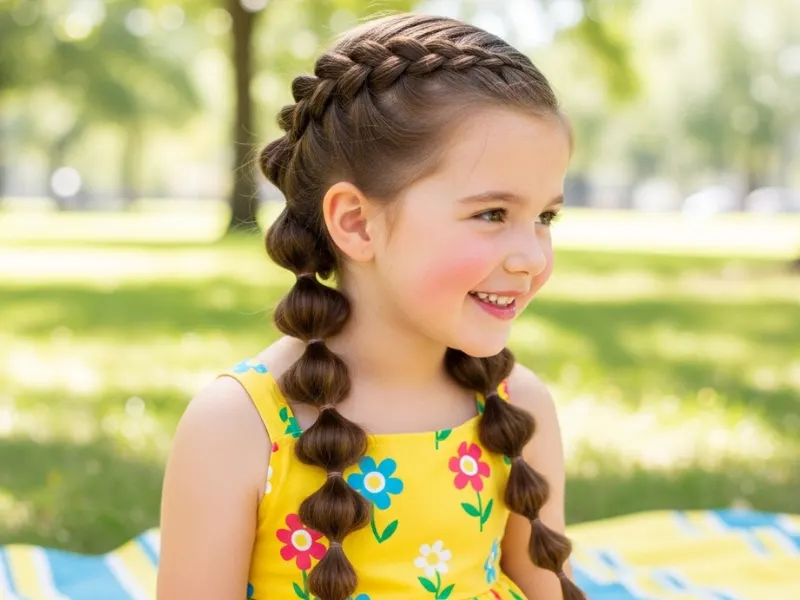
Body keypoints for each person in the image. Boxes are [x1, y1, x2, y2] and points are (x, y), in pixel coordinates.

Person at [157, 12, 583, 600]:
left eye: (545, 218)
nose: (532, 256)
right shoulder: (238, 429)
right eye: (491, 214)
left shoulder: (516, 406)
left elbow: (544, 589)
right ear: (356, 223)